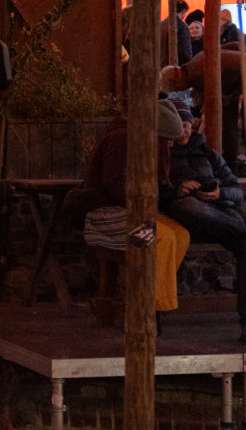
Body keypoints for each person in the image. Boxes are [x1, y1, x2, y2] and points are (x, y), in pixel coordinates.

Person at [80, 98, 190, 317]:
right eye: (167, 140)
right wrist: (144, 200)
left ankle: (152, 295)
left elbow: (158, 185)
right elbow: (113, 184)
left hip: (137, 212)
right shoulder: (120, 139)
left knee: (181, 234)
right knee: (162, 237)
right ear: (156, 133)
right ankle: (149, 308)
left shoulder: (154, 146)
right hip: (108, 215)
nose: (170, 145)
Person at [160, 99, 246, 341]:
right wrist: (178, 189)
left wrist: (219, 193)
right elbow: (156, 192)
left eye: (187, 124)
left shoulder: (209, 154)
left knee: (244, 244)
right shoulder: (162, 154)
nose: (184, 129)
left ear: (192, 124)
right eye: (179, 124)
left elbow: (237, 191)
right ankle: (242, 229)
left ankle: (245, 325)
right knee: (188, 205)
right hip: (187, 216)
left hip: (220, 214)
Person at [163, 52, 246, 170]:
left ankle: (230, 165)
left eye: (177, 89)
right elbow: (234, 45)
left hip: (240, 78)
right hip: (239, 73)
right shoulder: (197, 58)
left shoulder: (196, 77)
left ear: (178, 83)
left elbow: (217, 99)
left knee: (228, 123)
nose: (182, 89)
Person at [160, 0, 193, 66]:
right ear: (183, 11)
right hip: (176, 67)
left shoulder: (161, 25)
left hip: (160, 65)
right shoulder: (183, 26)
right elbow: (186, 51)